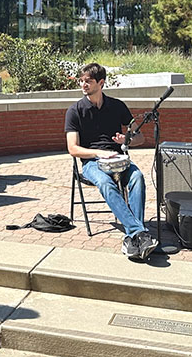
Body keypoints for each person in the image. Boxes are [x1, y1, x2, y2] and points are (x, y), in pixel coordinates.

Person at [65, 62, 157, 261]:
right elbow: (72, 148)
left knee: (138, 177)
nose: (83, 85)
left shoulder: (118, 106)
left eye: (88, 81)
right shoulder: (74, 111)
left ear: (101, 82)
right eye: (81, 81)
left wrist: (127, 140)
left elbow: (140, 138)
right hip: (91, 162)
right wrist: (99, 153)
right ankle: (139, 232)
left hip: (119, 159)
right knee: (106, 183)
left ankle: (134, 237)